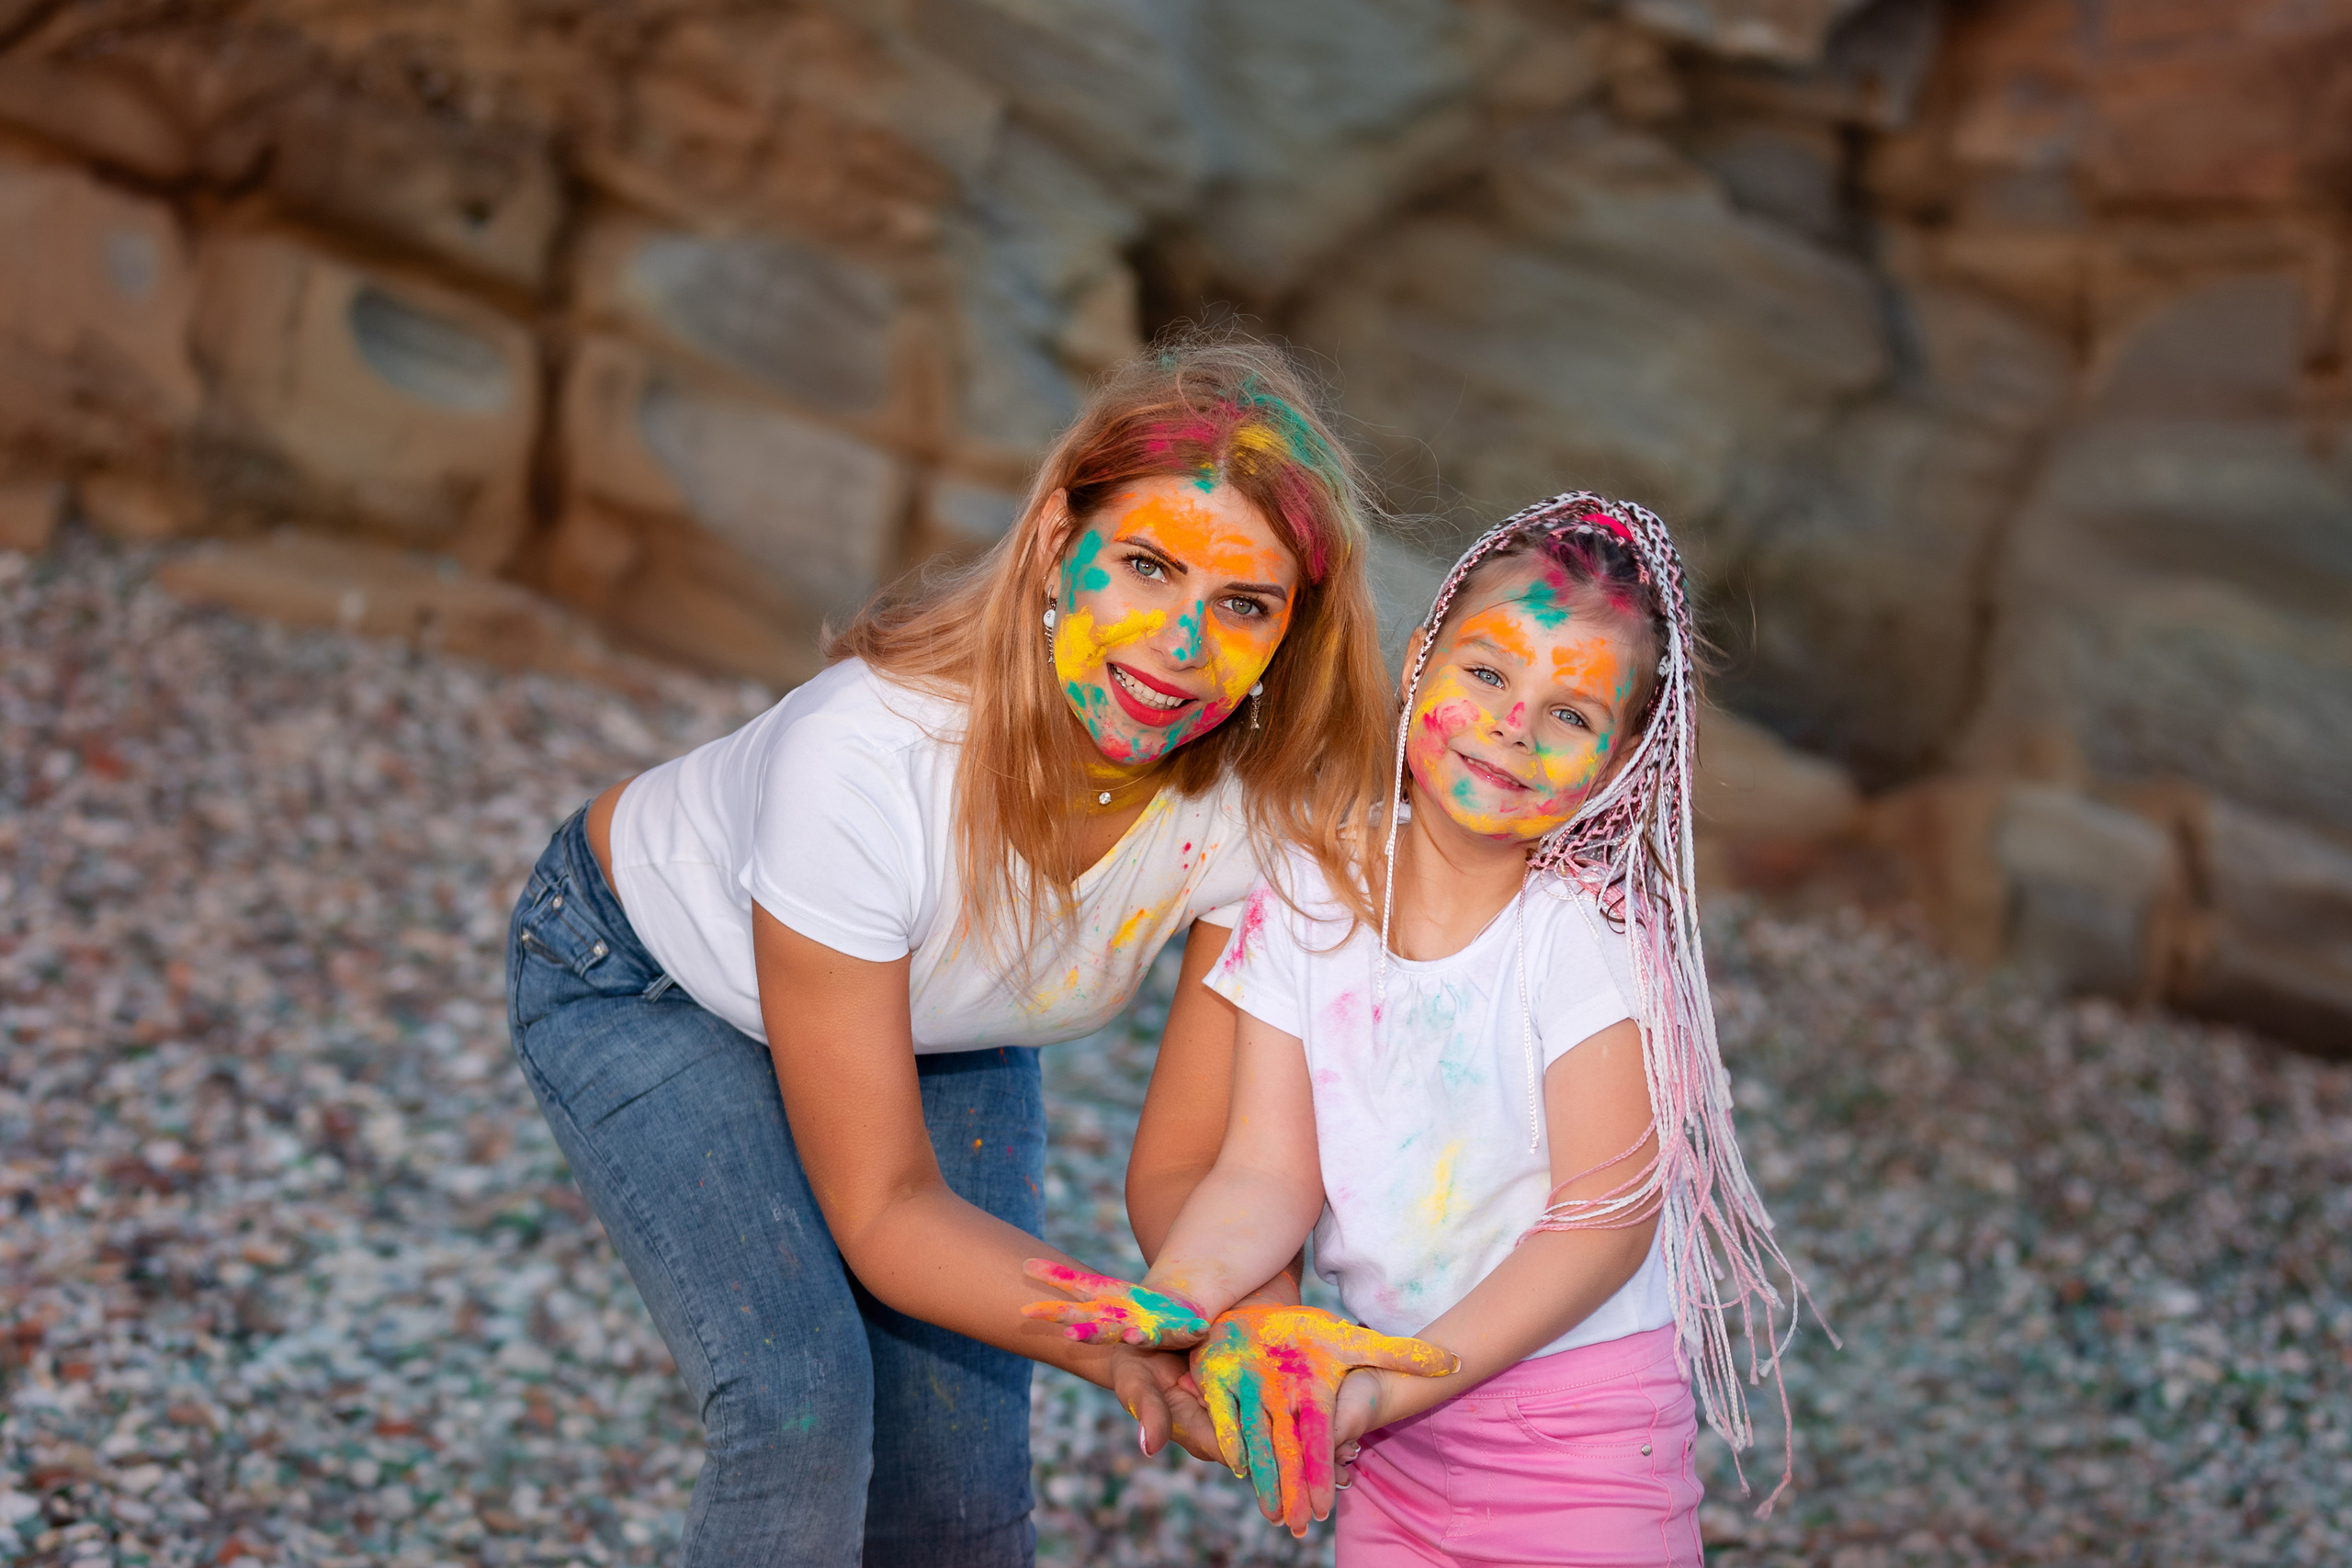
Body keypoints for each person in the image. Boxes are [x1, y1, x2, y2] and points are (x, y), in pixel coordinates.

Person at [503, 338, 1399, 1566]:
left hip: (946, 1022)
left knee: (958, 1477)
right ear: (1054, 543)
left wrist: (1248, 1327)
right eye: (1147, 566)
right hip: (649, 976)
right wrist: (1121, 1341)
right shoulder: (866, 760)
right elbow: (885, 1209)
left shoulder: (1259, 812)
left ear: (1291, 633)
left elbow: (1196, 1163)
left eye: (1243, 603)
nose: (1181, 640)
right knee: (802, 1403)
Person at [1024, 493, 1812, 1562]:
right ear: (1419, 662)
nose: (1512, 725)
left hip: (1573, 1443)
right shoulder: (1308, 892)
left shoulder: (1586, 940)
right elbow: (1264, 1172)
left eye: (1570, 714)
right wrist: (1177, 1300)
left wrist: (1390, 1385)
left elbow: (1603, 1224)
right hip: (1382, 1438)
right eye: (1485, 674)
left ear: (1622, 760)